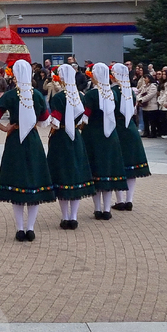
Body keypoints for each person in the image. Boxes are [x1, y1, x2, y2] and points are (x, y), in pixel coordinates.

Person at [0, 60, 55, 241]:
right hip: (33, 140)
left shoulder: (11, 95)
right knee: (33, 181)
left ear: (14, 74)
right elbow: (44, 121)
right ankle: (30, 228)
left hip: (15, 141)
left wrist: (5, 128)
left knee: (16, 182)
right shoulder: (37, 94)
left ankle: (19, 228)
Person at [46, 64, 95, 230]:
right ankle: (73, 217)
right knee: (75, 174)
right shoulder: (81, 96)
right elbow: (83, 119)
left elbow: (55, 121)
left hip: (61, 138)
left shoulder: (59, 98)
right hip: (76, 138)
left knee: (62, 175)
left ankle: (65, 216)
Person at [81, 63, 127, 219]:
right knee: (108, 170)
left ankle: (97, 209)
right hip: (110, 136)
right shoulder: (111, 93)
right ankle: (107, 209)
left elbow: (85, 117)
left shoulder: (91, 95)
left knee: (96, 171)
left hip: (93, 136)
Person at [111, 63, 151, 211]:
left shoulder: (113, 91)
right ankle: (129, 199)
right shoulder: (130, 91)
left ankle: (120, 200)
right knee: (131, 166)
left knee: (118, 164)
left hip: (117, 128)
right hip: (131, 128)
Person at [136, 73, 160, 138]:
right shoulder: (144, 86)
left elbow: (150, 95)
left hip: (152, 106)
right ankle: (146, 132)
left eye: (145, 78)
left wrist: (142, 100)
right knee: (145, 120)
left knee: (152, 121)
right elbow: (140, 92)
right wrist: (138, 99)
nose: (144, 79)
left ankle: (153, 133)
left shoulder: (153, 86)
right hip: (144, 106)